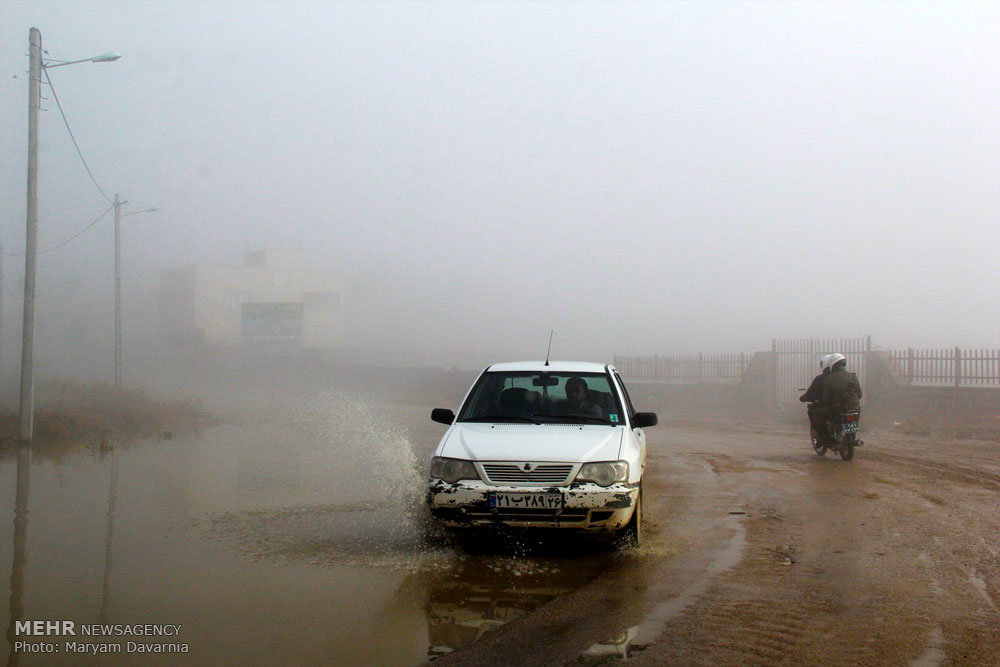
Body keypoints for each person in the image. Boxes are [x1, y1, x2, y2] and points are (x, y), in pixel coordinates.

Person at [800, 354, 832, 437]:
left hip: (827, 406)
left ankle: (821, 433)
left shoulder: (820, 379)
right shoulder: (845, 377)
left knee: (812, 411)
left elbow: (811, 393)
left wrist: (803, 398)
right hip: (843, 406)